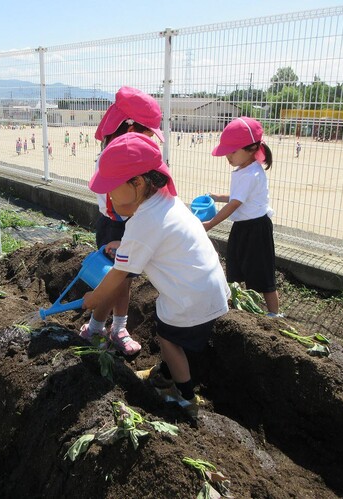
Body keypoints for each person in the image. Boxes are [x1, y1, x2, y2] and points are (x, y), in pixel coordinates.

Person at [83, 133, 230, 418]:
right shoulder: (167, 202)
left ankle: (185, 398)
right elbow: (150, 243)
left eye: (113, 189)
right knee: (181, 336)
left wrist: (94, 298)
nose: (109, 197)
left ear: (137, 183)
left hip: (189, 300)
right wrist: (122, 246)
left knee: (167, 338)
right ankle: (166, 373)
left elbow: (118, 275)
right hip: (209, 290)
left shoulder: (143, 223)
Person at [80, 86, 166, 355]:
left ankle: (116, 326)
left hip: (130, 223)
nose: (152, 138)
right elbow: (119, 204)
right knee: (114, 279)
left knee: (124, 280)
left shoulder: (130, 153)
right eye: (148, 131)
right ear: (129, 128)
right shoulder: (113, 159)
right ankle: (98, 326)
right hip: (115, 225)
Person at [202, 117, 282, 317]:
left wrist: (210, 224)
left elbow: (236, 203)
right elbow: (238, 197)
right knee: (239, 268)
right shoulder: (243, 170)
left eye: (232, 151)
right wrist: (218, 197)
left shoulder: (252, 174)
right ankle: (247, 309)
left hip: (256, 229)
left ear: (251, 149)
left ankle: (274, 314)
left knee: (261, 274)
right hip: (243, 227)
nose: (227, 156)